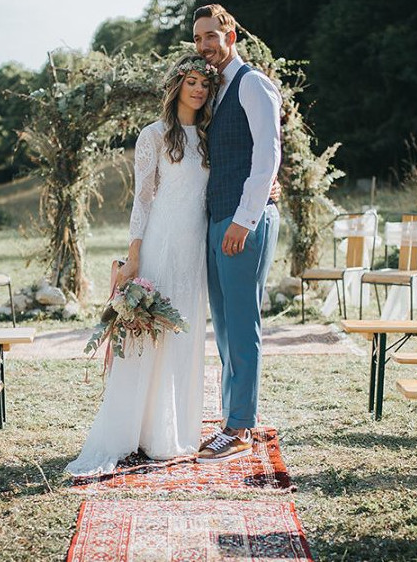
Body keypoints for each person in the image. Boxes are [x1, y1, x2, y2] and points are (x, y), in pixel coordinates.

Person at [66, 54, 220, 476]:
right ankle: (132, 431)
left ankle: (170, 431)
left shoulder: (209, 135)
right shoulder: (154, 135)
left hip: (195, 248)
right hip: (162, 243)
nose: (199, 90)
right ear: (177, 85)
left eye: (205, 84)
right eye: (191, 82)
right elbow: (143, 197)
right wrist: (134, 254)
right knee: (151, 335)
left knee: (184, 332)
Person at [193, 4, 282, 464]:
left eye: (212, 35)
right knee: (225, 327)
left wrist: (244, 221)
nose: (205, 45)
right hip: (217, 217)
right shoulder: (214, 89)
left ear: (230, 34)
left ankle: (241, 427)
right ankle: (231, 416)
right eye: (199, 38)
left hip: (243, 220)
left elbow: (267, 156)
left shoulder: (253, 84)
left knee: (242, 325)